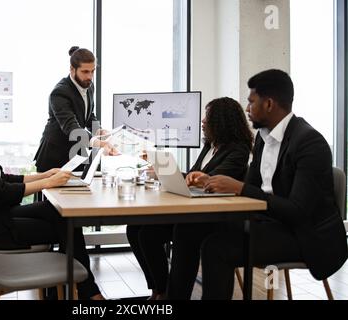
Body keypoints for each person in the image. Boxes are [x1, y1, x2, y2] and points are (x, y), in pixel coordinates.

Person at [181, 69, 347, 300]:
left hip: (304, 236)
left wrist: (238, 187)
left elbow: (297, 212)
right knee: (188, 229)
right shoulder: (263, 138)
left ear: (269, 104)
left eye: (251, 102)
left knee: (216, 248)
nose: (247, 109)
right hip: (267, 222)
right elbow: (252, 189)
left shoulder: (310, 143)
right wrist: (230, 187)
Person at [0, 85, 105, 300]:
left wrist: (45, 176)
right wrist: (48, 183)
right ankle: (86, 292)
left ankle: (69, 291)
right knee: (66, 224)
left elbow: (0, 179)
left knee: (59, 214)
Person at [126, 97, 254, 300]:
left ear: (222, 121)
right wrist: (166, 173)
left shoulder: (238, 150)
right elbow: (194, 176)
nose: (203, 121)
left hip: (219, 217)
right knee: (137, 229)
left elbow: (213, 179)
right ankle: (160, 289)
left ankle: (175, 296)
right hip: (197, 210)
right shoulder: (210, 146)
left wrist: (197, 179)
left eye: (207, 117)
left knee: (183, 230)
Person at [34, 46, 117, 175]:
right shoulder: (59, 92)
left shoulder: (89, 86)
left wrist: (98, 131)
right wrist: (99, 143)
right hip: (54, 157)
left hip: (76, 155)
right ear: (72, 69)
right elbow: (71, 127)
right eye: (85, 72)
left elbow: (89, 116)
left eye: (92, 71)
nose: (90, 76)